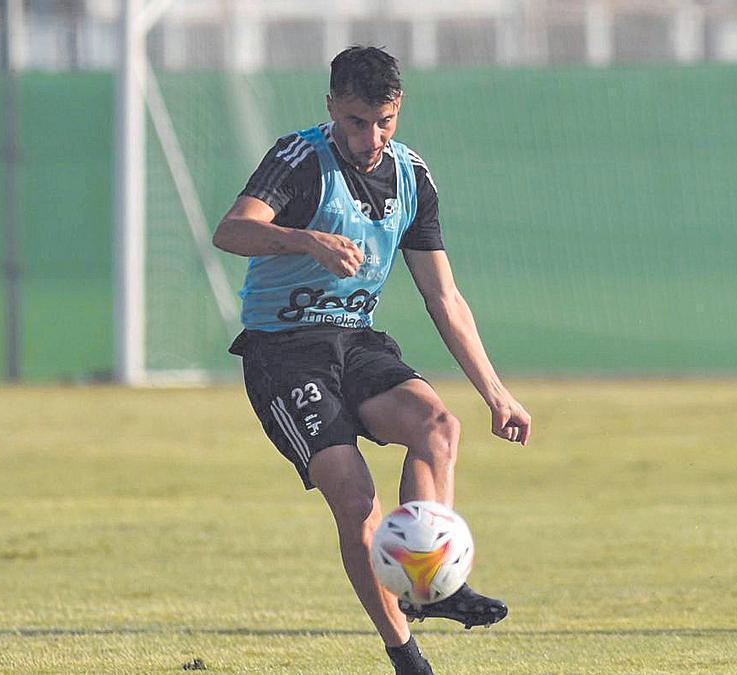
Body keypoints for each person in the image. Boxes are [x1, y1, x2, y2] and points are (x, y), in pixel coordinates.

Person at [212, 45, 532, 674]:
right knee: (357, 503)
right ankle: (403, 653)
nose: (372, 136)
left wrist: (497, 393)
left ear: (398, 110)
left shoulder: (412, 175)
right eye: (357, 121)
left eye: (384, 120)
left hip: (354, 340)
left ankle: (428, 581)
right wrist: (304, 240)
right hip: (284, 352)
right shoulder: (298, 159)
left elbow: (443, 295)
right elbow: (232, 230)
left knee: (438, 426)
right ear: (331, 105)